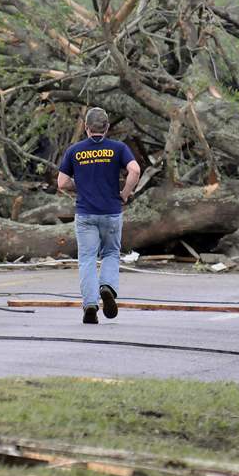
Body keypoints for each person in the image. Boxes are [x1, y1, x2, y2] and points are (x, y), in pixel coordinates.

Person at [57, 107, 141, 324]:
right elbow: (135, 170)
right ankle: (108, 287)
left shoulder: (75, 151)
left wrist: (81, 186)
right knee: (111, 253)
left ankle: (91, 304)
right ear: (107, 127)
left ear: (86, 127)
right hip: (111, 212)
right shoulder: (118, 148)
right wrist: (124, 193)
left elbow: (62, 183)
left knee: (86, 259)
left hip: (86, 214)